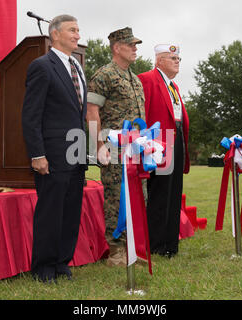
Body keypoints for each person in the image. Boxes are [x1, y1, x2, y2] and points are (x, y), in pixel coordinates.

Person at [22, 14, 87, 283]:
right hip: (52, 154)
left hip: (76, 152)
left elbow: (79, 113)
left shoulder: (78, 67)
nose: (77, 35)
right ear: (55, 34)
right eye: (72, 30)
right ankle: (44, 267)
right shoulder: (42, 66)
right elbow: (31, 115)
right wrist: (37, 154)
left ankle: (62, 262)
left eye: (78, 30)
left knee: (71, 211)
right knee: (51, 211)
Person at [86, 27, 145, 266]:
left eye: (135, 45)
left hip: (136, 151)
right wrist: (98, 144)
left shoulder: (135, 78)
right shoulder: (104, 76)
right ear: (116, 48)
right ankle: (116, 251)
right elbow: (91, 112)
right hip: (114, 149)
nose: (135, 48)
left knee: (136, 198)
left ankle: (132, 248)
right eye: (130, 45)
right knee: (115, 199)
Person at [137, 44, 190, 258]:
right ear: (159, 61)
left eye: (178, 58)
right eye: (172, 58)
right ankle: (156, 245)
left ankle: (170, 244)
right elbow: (143, 112)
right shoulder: (147, 79)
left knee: (173, 193)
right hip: (159, 142)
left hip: (176, 140)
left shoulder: (173, 86)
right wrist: (145, 142)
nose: (177, 61)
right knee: (159, 194)